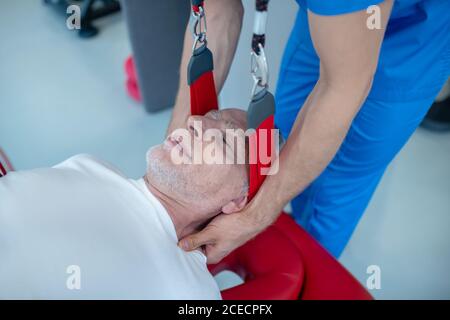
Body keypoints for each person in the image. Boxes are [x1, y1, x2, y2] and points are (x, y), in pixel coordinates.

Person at [171, 0, 450, 260]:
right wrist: (178, 134)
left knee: (334, 187)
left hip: (409, 43)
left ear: (238, 200)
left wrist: (256, 216)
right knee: (287, 139)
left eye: (223, 135)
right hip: (329, 23)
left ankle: (311, 254)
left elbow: (344, 87)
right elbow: (218, 14)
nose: (201, 125)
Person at [0, 109, 247, 299]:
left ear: (236, 200)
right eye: (208, 115)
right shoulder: (95, 166)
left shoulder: (190, 289)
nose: (195, 121)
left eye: (224, 139)